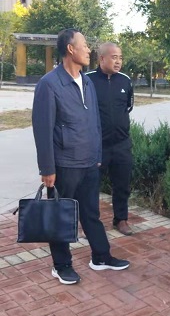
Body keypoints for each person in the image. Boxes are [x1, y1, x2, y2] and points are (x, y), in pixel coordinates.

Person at [32, 29, 130, 285]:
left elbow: (94, 121)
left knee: (91, 213)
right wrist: (47, 168)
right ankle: (61, 265)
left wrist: (97, 154)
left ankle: (101, 256)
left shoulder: (86, 81)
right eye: (84, 45)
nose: (88, 50)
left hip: (89, 162)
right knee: (61, 215)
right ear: (70, 49)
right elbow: (42, 129)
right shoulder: (49, 84)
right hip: (64, 164)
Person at [87, 43, 134, 236]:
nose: (118, 61)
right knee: (91, 186)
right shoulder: (88, 80)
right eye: (114, 57)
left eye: (120, 58)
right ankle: (91, 223)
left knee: (122, 185)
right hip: (97, 146)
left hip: (121, 144)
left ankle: (121, 219)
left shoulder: (125, 81)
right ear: (102, 58)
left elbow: (128, 107)